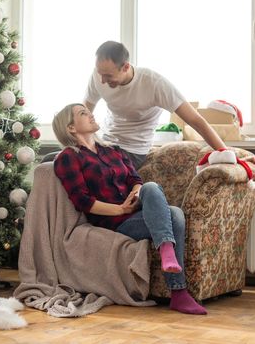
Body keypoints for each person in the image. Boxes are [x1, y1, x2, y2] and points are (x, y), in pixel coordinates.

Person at [51, 103, 207, 315]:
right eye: (83, 113)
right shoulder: (68, 157)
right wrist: (120, 210)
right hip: (115, 222)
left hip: (139, 211)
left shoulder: (112, 150)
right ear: (70, 128)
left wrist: (135, 193)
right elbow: (83, 201)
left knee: (150, 187)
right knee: (175, 215)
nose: (91, 115)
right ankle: (178, 291)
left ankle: (167, 252)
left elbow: (135, 179)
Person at [84, 40, 227, 169]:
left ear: (126, 67)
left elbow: (195, 120)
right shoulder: (99, 75)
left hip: (132, 150)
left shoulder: (154, 84)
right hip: (104, 142)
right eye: (99, 73)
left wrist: (226, 154)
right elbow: (84, 112)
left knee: (98, 171)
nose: (102, 80)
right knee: (65, 161)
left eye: (108, 76)